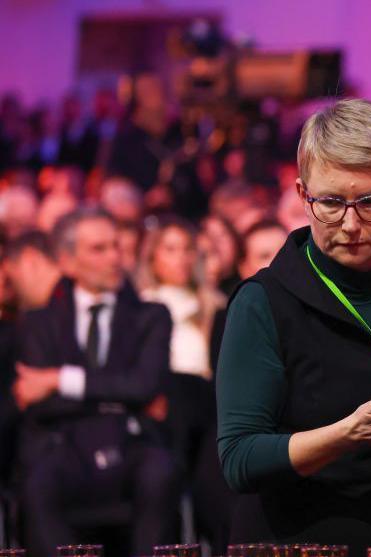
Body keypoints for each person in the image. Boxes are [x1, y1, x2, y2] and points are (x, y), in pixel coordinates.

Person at [215, 99, 371, 548]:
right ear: (301, 193)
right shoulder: (264, 301)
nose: (350, 224)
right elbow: (239, 459)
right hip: (294, 538)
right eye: (330, 202)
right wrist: (347, 435)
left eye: (370, 202)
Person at [14, 207, 179, 556]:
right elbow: (39, 402)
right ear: (68, 261)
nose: (114, 258)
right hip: (65, 447)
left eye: (117, 246)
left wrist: (60, 379)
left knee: (160, 472)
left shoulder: (151, 316)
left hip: (131, 445)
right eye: (98, 249)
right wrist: (120, 394)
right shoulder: (38, 323)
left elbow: (145, 385)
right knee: (37, 482)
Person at [136, 215, 232, 549]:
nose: (180, 258)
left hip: (206, 402)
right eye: (170, 249)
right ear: (152, 257)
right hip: (159, 402)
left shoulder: (215, 305)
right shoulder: (139, 307)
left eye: (187, 249)